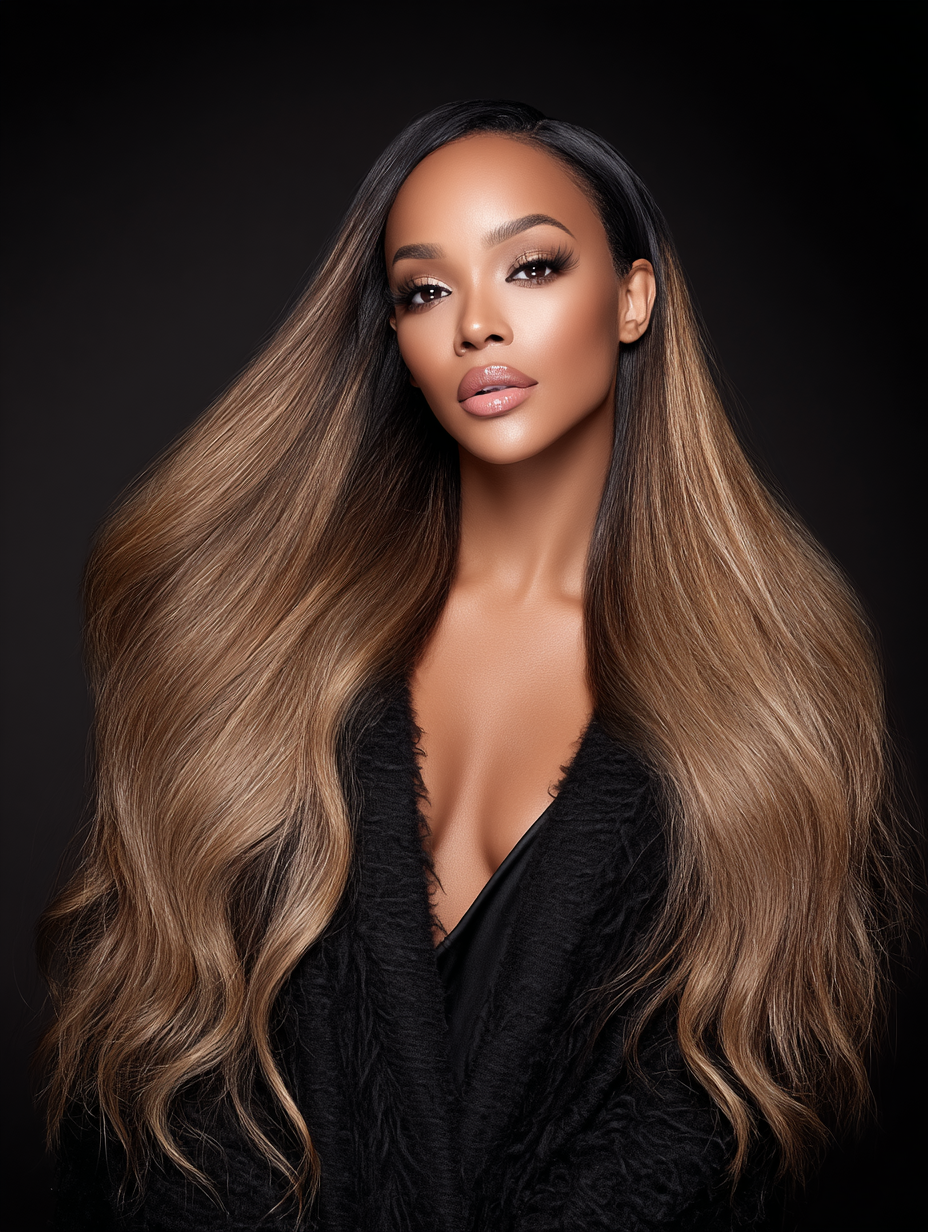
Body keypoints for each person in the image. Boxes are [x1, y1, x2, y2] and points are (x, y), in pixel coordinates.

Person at [38, 100, 906, 1231]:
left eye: (532, 267)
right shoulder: (254, 651)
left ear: (633, 297)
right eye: (425, 289)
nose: (476, 328)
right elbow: (155, 1083)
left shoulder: (775, 686)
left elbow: (726, 1115)